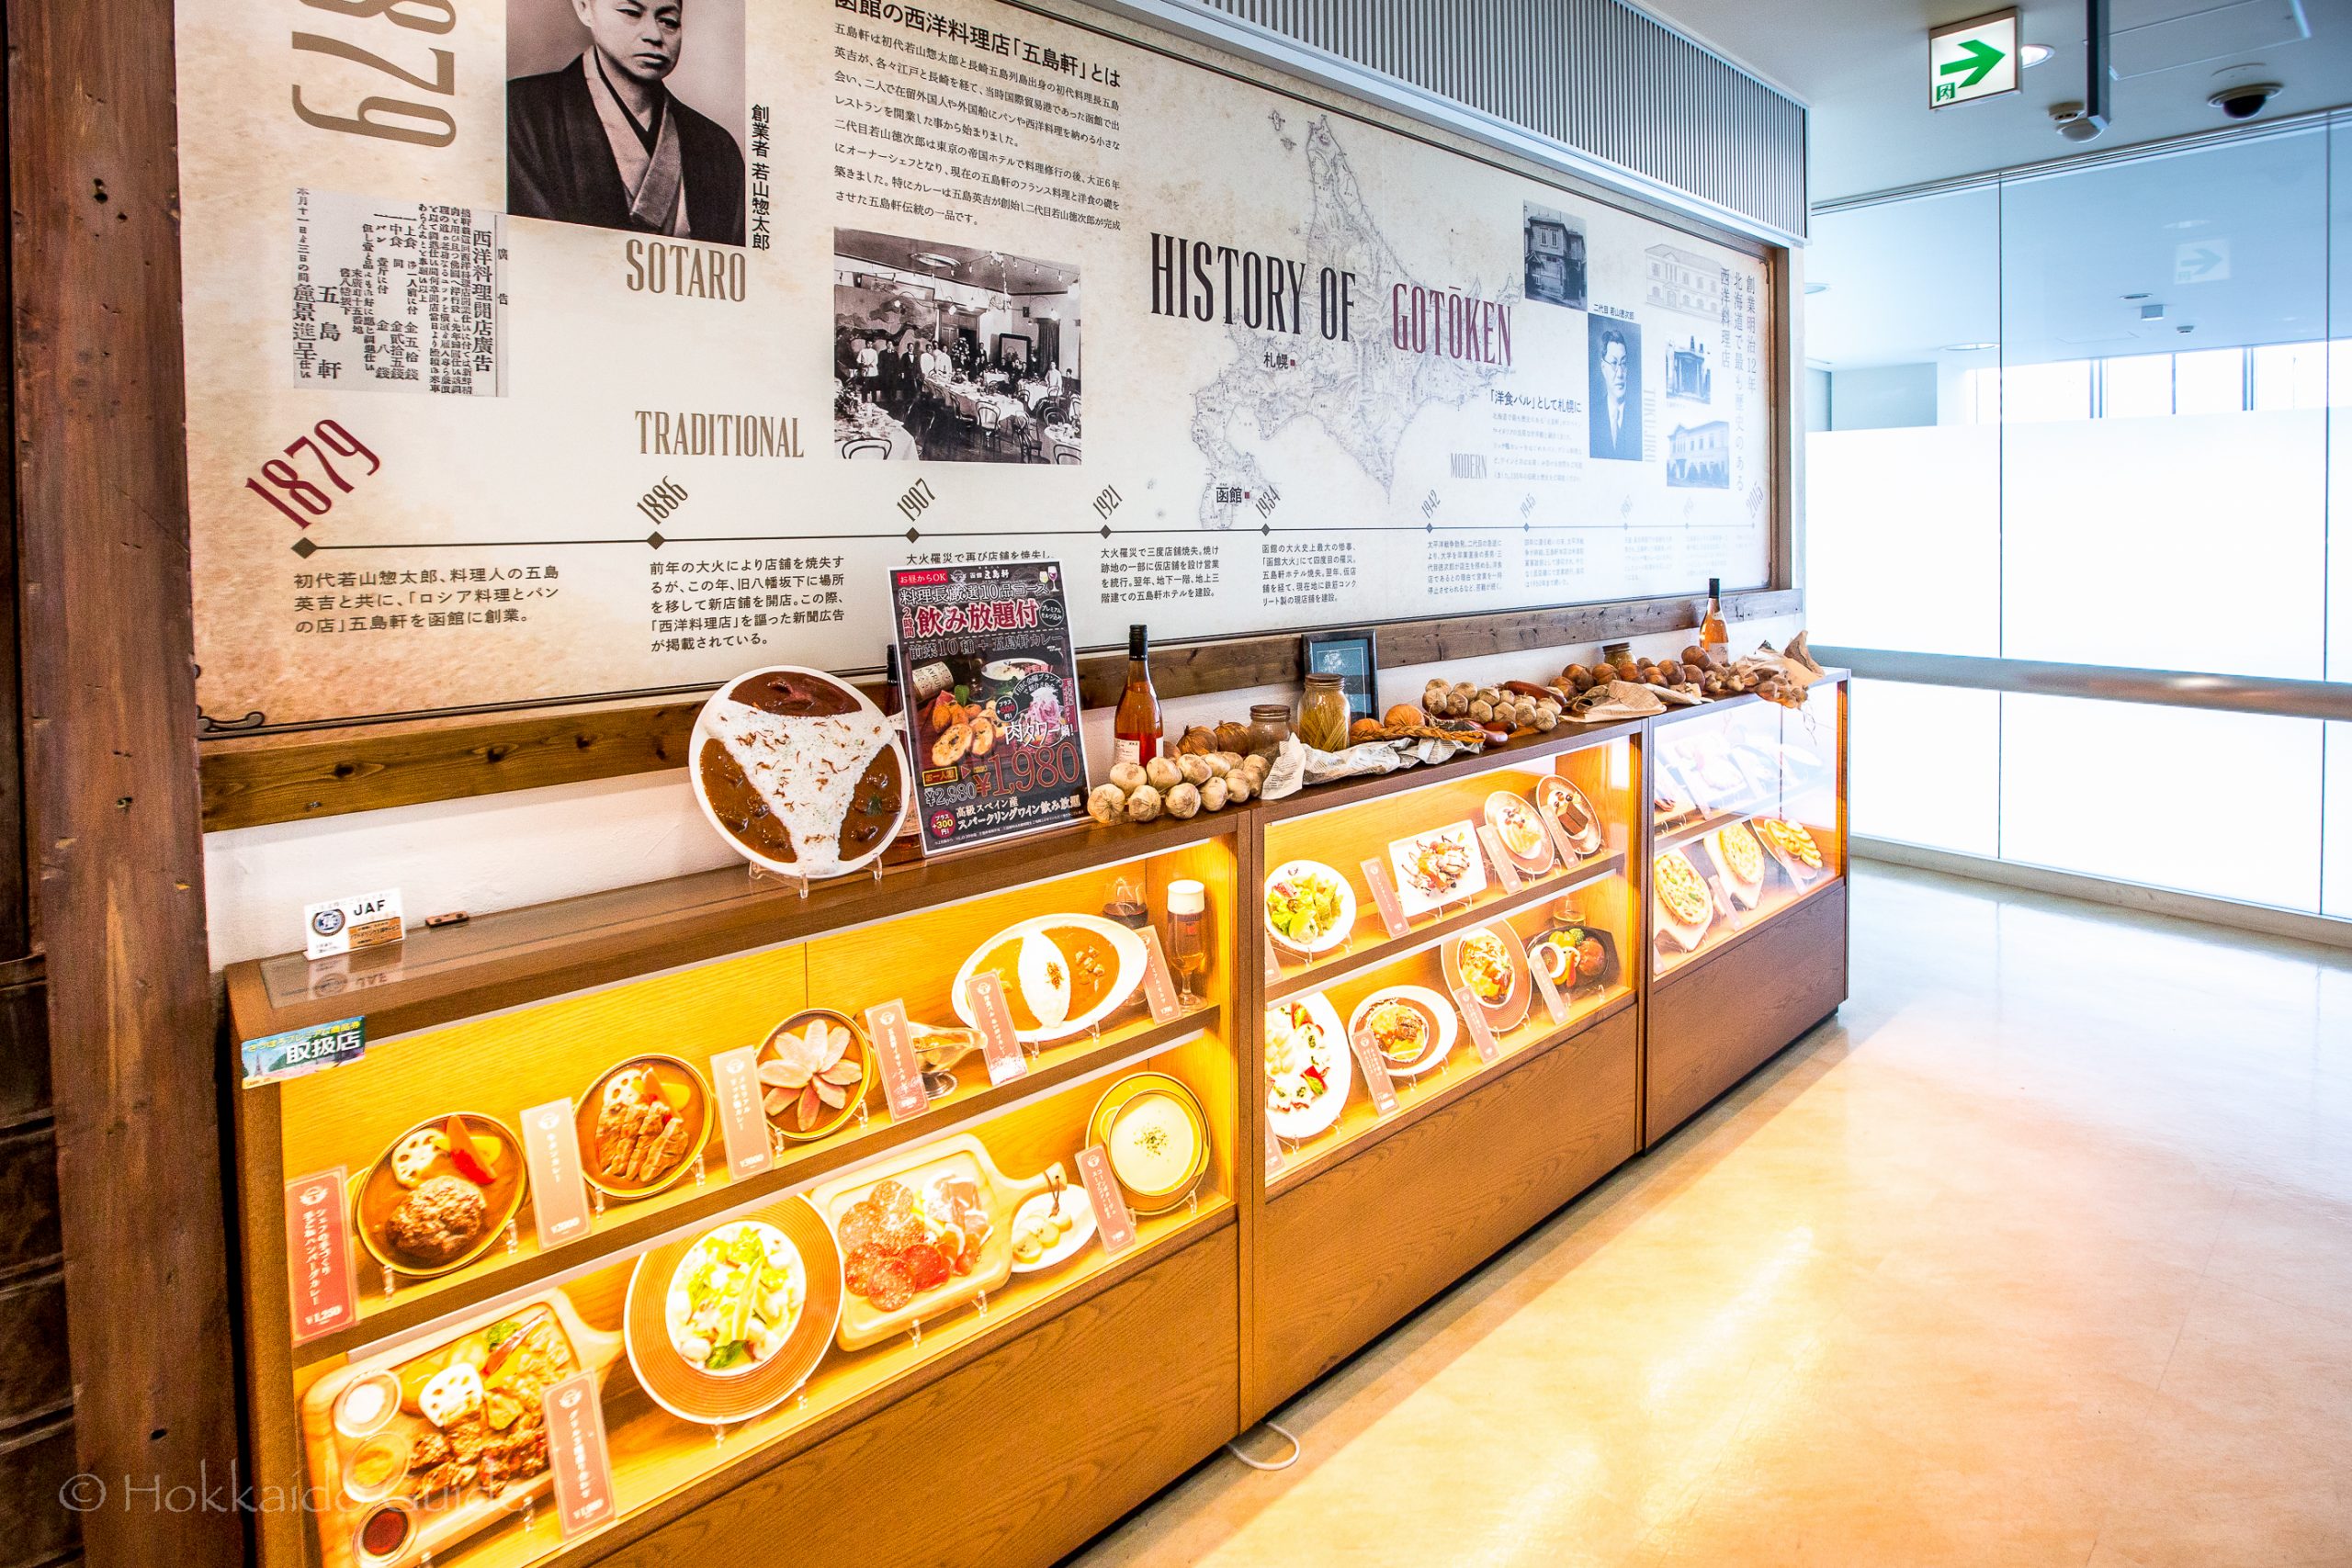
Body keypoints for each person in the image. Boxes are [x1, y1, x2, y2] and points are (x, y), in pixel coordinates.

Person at [508, 0, 745, 246]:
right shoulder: (520, 113)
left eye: (669, 21)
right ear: (584, 8)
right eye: (631, 13)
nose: (654, 35)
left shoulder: (716, 146)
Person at [1589, 326, 1642, 461]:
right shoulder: (1592, 415)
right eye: (1614, 363)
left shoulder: (1639, 419)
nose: (1620, 373)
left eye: (1623, 363)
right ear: (1603, 367)